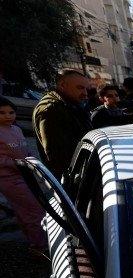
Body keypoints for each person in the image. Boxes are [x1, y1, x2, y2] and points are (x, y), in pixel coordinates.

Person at [0, 97, 46, 250]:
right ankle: (40, 245)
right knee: (34, 210)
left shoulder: (16, 129)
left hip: (25, 175)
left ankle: (34, 241)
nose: (8, 116)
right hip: (9, 179)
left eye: (11, 112)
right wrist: (18, 164)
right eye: (2, 113)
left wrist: (32, 161)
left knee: (25, 210)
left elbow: (25, 149)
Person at [33, 69, 92, 179]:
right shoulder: (52, 108)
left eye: (86, 89)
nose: (85, 93)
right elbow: (56, 155)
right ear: (63, 85)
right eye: (80, 88)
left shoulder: (69, 104)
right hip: (71, 177)